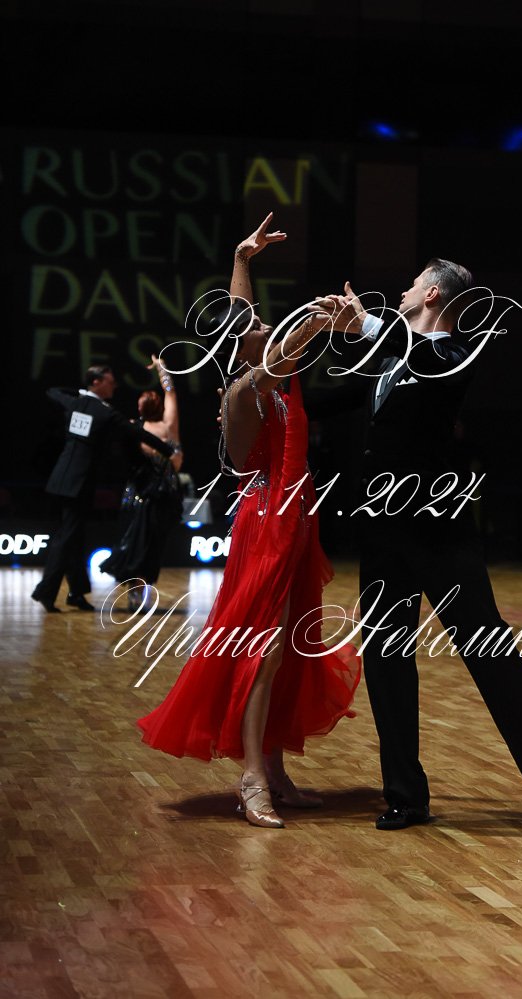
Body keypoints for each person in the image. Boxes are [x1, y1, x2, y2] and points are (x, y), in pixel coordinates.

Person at [317, 262, 522, 830]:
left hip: (440, 533)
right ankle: (405, 795)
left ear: (433, 294)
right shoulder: (389, 359)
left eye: (412, 283)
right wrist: (262, 384)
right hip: (384, 530)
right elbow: (329, 402)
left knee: (490, 650)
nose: (402, 290)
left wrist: (365, 324)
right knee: (387, 658)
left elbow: (426, 361)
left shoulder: (454, 354)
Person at [137, 214, 360, 828]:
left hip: (295, 521)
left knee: (286, 653)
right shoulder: (244, 391)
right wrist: (316, 321)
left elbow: (247, 321)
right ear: (238, 348)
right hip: (266, 529)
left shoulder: (273, 383)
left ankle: (274, 768)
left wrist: (242, 259)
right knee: (263, 652)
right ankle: (252, 775)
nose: (264, 324)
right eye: (257, 327)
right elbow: (269, 347)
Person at [31, 366, 175, 613]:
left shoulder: (74, 402)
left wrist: (82, 393)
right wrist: (167, 450)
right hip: (80, 483)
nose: (114, 385)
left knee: (74, 537)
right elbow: (136, 432)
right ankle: (46, 591)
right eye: (110, 381)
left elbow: (52, 391)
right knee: (66, 538)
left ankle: (76, 593)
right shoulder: (105, 412)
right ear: (96, 382)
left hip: (61, 478)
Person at [100, 354, 184, 610]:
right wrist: (162, 370)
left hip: (146, 495)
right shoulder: (166, 427)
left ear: (142, 408)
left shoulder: (138, 428)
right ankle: (139, 590)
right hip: (154, 495)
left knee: (138, 544)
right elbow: (171, 393)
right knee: (146, 544)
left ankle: (136, 591)